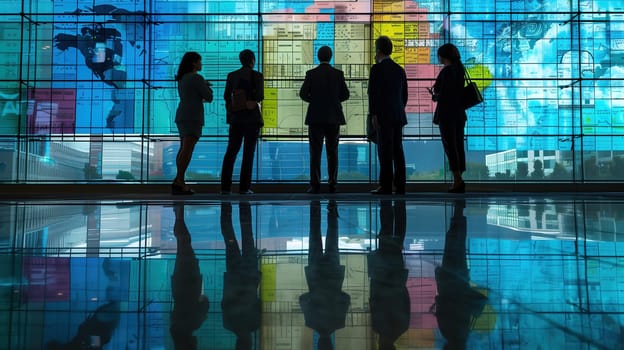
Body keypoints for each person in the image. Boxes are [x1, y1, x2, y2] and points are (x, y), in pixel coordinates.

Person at [433, 200, 488, 349]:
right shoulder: (449, 333)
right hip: (450, 280)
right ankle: (458, 211)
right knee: (452, 243)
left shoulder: (462, 333)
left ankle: (459, 213)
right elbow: (443, 304)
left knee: (457, 244)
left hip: (460, 279)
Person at [299, 200, 350, 350]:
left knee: (332, 236)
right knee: (314, 234)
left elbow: (346, 298)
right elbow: (303, 299)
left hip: (333, 274)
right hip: (315, 275)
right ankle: (314, 205)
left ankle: (332, 205)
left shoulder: (339, 322)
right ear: (319, 344)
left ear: (331, 344)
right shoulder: (311, 322)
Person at [299, 46, 350, 194]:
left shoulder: (311, 74)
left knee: (315, 152)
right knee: (332, 151)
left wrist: (314, 100)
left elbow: (302, 94)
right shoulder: (338, 74)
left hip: (315, 117)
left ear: (318, 57)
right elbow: (346, 95)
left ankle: (315, 185)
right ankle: (332, 183)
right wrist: (334, 100)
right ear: (331, 56)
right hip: (333, 117)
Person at [368, 36, 409, 195]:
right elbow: (404, 95)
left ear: (378, 50)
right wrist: (398, 109)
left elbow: (373, 94)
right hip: (398, 115)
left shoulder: (376, 69)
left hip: (383, 116)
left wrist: (374, 114)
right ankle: (400, 186)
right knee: (398, 150)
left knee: (385, 151)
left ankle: (385, 186)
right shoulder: (400, 69)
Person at [221, 49, 264, 195]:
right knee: (248, 153)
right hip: (252, 119)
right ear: (252, 60)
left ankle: (225, 188)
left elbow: (226, 96)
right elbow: (260, 96)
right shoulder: (257, 76)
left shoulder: (232, 75)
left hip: (236, 119)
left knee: (231, 151)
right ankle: (244, 188)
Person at [368, 200, 410, 350]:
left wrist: (400, 283)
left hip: (396, 277)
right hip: (381, 274)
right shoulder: (378, 327)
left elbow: (406, 301)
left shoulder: (402, 327)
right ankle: (386, 204)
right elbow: (373, 300)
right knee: (385, 232)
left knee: (398, 236)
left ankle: (400, 205)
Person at [220, 201, 261, 350]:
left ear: (249, 343)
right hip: (234, 275)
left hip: (249, 275)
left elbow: (258, 303)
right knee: (229, 238)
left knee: (247, 234)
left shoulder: (255, 324)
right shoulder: (228, 324)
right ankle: (226, 207)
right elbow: (225, 303)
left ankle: (243, 205)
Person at [172, 52, 214, 195]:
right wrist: (205, 86)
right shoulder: (196, 78)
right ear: (193, 63)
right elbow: (209, 97)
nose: (201, 64)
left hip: (182, 115)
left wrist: (202, 86)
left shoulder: (183, 78)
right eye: (199, 61)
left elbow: (193, 97)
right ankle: (179, 182)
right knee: (187, 149)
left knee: (183, 148)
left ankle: (179, 181)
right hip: (192, 117)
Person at [170, 203, 209, 350]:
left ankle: (179, 213)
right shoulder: (175, 327)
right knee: (182, 244)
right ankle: (178, 214)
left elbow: (204, 302)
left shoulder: (194, 323)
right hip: (179, 283)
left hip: (191, 280)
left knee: (185, 241)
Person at [429, 43, 468, 193]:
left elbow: (442, 93)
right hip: (459, 114)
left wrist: (435, 96)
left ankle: (457, 180)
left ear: (443, 56)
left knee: (450, 146)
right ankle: (458, 178)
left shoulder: (446, 72)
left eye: (438, 55)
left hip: (447, 114)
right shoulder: (460, 70)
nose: (437, 57)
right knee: (458, 145)